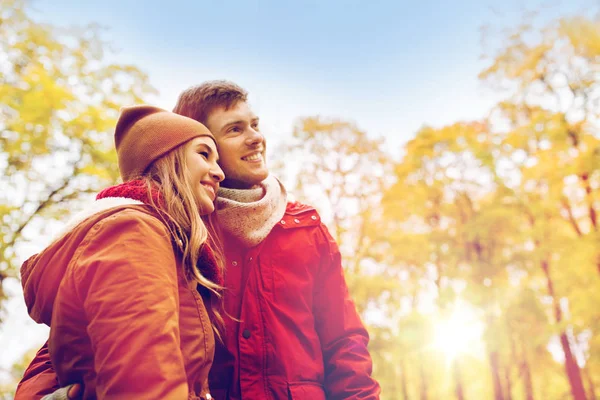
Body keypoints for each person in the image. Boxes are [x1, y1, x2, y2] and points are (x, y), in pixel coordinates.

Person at [17, 81, 381, 399]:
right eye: (235, 130)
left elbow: (344, 342)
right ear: (190, 145)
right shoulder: (172, 231)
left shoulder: (305, 228)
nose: (256, 138)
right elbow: (87, 333)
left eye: (255, 125)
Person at [16, 105, 225, 399]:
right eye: (204, 154)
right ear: (166, 158)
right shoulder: (133, 232)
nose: (219, 172)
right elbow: (145, 382)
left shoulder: (152, 237)